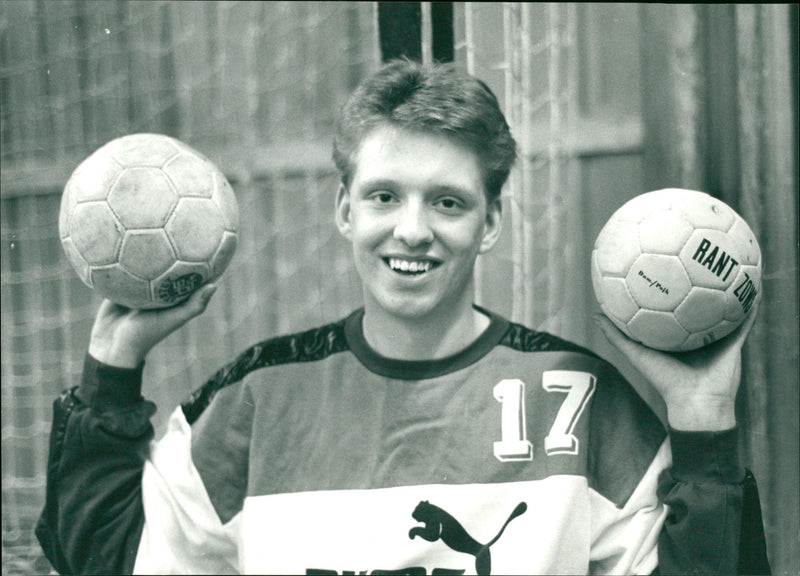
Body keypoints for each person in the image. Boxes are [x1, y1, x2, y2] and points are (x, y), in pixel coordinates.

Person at [37, 59, 770, 575]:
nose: (412, 230)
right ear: (343, 210)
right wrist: (111, 369)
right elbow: (107, 563)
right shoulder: (256, 401)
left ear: (489, 222)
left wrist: (702, 418)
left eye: (447, 201)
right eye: (385, 196)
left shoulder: (577, 399)